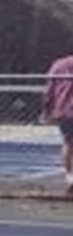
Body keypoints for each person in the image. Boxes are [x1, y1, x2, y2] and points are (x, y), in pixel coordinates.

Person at [45, 49, 73, 193]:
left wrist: (47, 110)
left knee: (68, 143)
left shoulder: (58, 64)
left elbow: (49, 90)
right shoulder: (59, 65)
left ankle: (70, 177)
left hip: (63, 110)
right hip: (66, 109)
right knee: (68, 143)